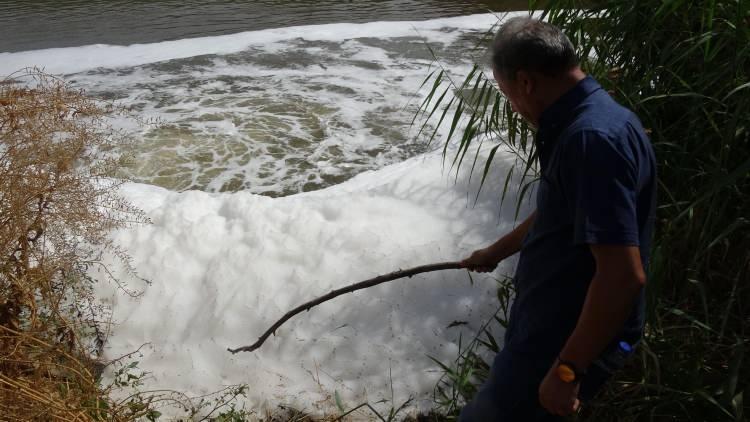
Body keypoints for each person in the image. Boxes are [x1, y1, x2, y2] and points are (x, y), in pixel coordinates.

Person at [459, 17, 657, 421]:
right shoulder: (602, 117)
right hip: (556, 331)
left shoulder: (591, 140)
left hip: (559, 341)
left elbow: (623, 276)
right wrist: (498, 249)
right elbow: (566, 208)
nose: (514, 106)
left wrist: (567, 371)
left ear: (526, 82)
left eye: (508, 93)